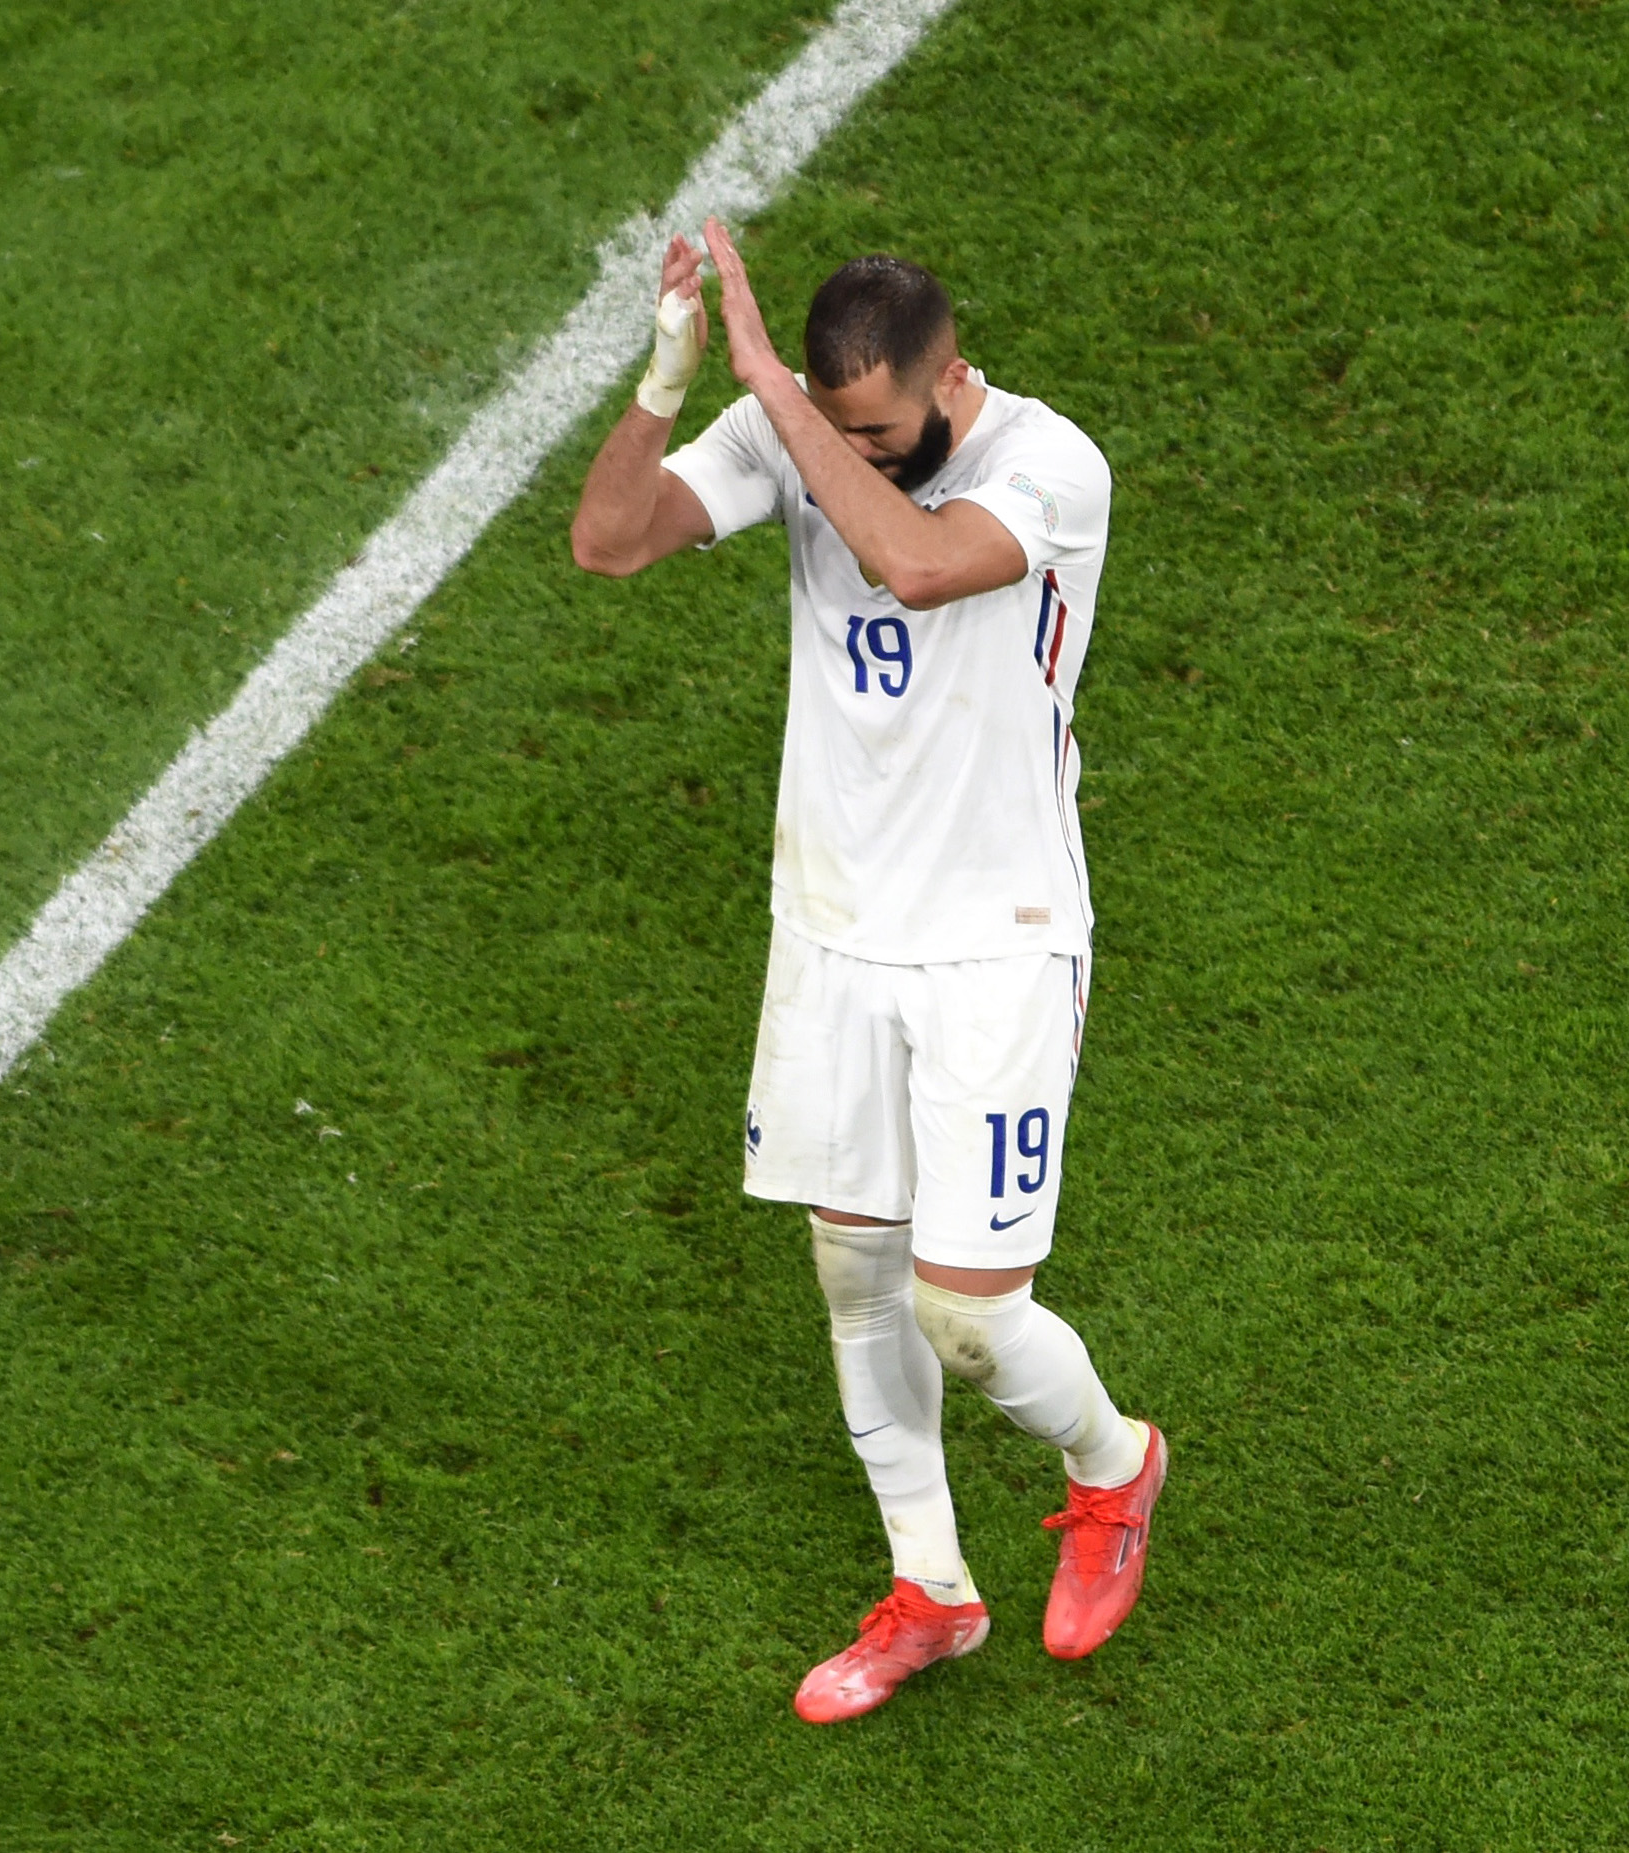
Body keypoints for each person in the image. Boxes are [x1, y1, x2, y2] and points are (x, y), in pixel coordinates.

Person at [569, 219, 1166, 1724]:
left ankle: (1111, 1464)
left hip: (997, 944)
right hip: (833, 934)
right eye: (835, 431)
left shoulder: (1050, 467)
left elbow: (911, 564)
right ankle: (934, 1590)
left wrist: (777, 399)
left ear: (948, 379)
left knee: (968, 1314)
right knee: (853, 1275)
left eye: (883, 430)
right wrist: (672, 376)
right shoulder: (800, 426)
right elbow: (610, 540)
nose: (860, 458)